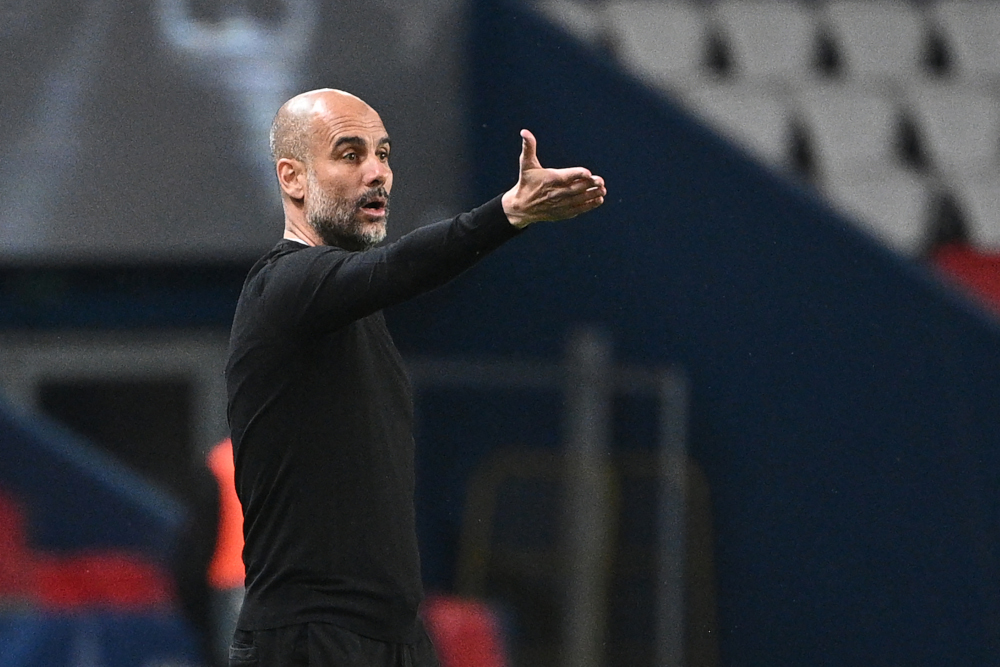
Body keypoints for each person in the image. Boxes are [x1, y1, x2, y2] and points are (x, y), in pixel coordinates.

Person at [225, 88, 606, 667]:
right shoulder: (283, 287)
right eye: (350, 155)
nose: (378, 173)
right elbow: (395, 267)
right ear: (294, 178)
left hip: (396, 636)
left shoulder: (352, 311)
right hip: (309, 640)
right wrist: (509, 212)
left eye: (384, 153)